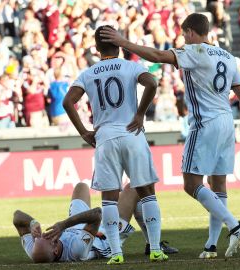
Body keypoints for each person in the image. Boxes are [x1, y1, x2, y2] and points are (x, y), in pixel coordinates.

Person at [100, 13, 240, 259]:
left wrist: (123, 42)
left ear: (190, 32)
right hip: (227, 122)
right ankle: (211, 245)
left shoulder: (194, 51)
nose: (183, 39)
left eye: (184, 34)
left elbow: (156, 56)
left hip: (205, 123)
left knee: (191, 184)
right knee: (218, 185)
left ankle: (235, 225)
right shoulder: (228, 57)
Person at [61, 25, 168, 264]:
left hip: (105, 136)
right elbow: (151, 83)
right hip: (132, 133)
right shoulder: (130, 66)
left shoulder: (88, 73)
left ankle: (116, 254)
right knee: (146, 193)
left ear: (97, 48)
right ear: (119, 44)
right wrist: (140, 113)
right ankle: (155, 249)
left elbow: (68, 102)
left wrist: (84, 133)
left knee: (109, 198)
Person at [13, 183, 137, 263]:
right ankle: (151, 243)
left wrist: (32, 223)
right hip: (102, 237)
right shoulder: (76, 251)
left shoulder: (35, 251)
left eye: (37, 238)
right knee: (133, 188)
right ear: (55, 250)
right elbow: (97, 214)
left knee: (81, 187)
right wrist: (63, 225)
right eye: (45, 238)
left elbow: (17, 216)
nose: (43, 234)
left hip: (74, 229)